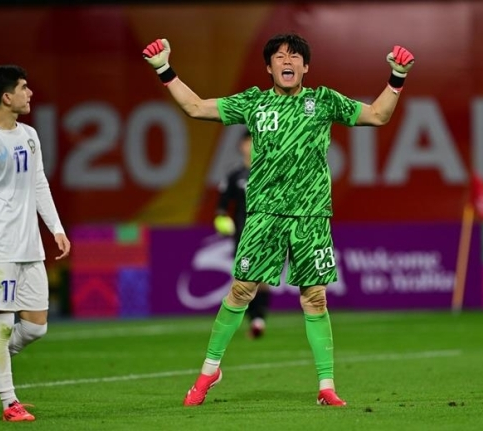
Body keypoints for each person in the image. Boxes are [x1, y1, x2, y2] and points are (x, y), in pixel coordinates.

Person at [142, 33, 414, 407]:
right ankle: (209, 371)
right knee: (241, 290)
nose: (288, 61)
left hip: (311, 216)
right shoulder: (254, 103)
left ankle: (326, 386)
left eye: (295, 56)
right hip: (264, 215)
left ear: (306, 66)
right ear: (269, 67)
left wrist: (397, 76)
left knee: (315, 298)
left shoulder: (324, 101)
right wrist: (163, 68)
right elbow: (196, 107)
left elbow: (378, 115)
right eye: (280, 56)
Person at [0, 65, 70, 422]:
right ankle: (10, 404)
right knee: (3, 324)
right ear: (7, 97)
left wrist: (56, 228)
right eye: (24, 87)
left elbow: (39, 183)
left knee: (36, 326)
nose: (30, 93)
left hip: (30, 246)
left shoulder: (29, 135)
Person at [214, 129, 270, 339]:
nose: (251, 146)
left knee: (262, 279)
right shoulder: (234, 175)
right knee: (243, 280)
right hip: (243, 235)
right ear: (241, 146)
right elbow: (221, 206)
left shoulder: (270, 172)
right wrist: (221, 219)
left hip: (268, 234)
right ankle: (254, 319)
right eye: (248, 142)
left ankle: (258, 319)